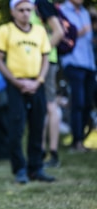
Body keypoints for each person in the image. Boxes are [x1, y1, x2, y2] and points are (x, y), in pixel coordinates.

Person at [0, 0, 55, 183]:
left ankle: (36, 168)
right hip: (16, 85)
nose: (25, 13)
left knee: (38, 127)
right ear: (13, 11)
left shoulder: (40, 30)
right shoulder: (5, 30)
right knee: (16, 128)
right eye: (21, 10)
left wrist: (39, 81)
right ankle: (20, 169)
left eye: (29, 9)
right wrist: (15, 81)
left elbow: (46, 58)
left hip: (36, 85)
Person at [31, 0, 65, 167]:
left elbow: (59, 32)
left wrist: (41, 53)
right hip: (44, 61)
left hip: (46, 62)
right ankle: (42, 151)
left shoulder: (42, 3)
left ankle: (52, 154)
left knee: (50, 105)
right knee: (45, 106)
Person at [59, 0, 96, 152]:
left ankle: (81, 138)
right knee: (78, 103)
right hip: (73, 62)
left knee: (88, 102)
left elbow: (89, 39)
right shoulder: (62, 11)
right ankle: (77, 141)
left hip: (89, 63)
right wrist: (84, 30)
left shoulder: (86, 13)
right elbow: (64, 35)